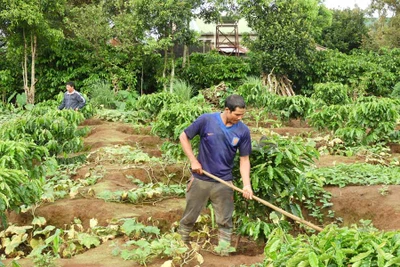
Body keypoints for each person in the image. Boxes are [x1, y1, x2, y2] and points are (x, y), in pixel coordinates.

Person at [178, 94, 253, 253]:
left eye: (242, 115)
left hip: (224, 182)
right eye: (237, 114)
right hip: (201, 179)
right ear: (227, 110)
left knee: (225, 220)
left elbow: (244, 160)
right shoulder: (207, 120)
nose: (240, 118)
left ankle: (223, 252)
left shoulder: (243, 131)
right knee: (189, 216)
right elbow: (184, 136)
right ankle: (180, 247)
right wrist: (193, 161)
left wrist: (247, 185)